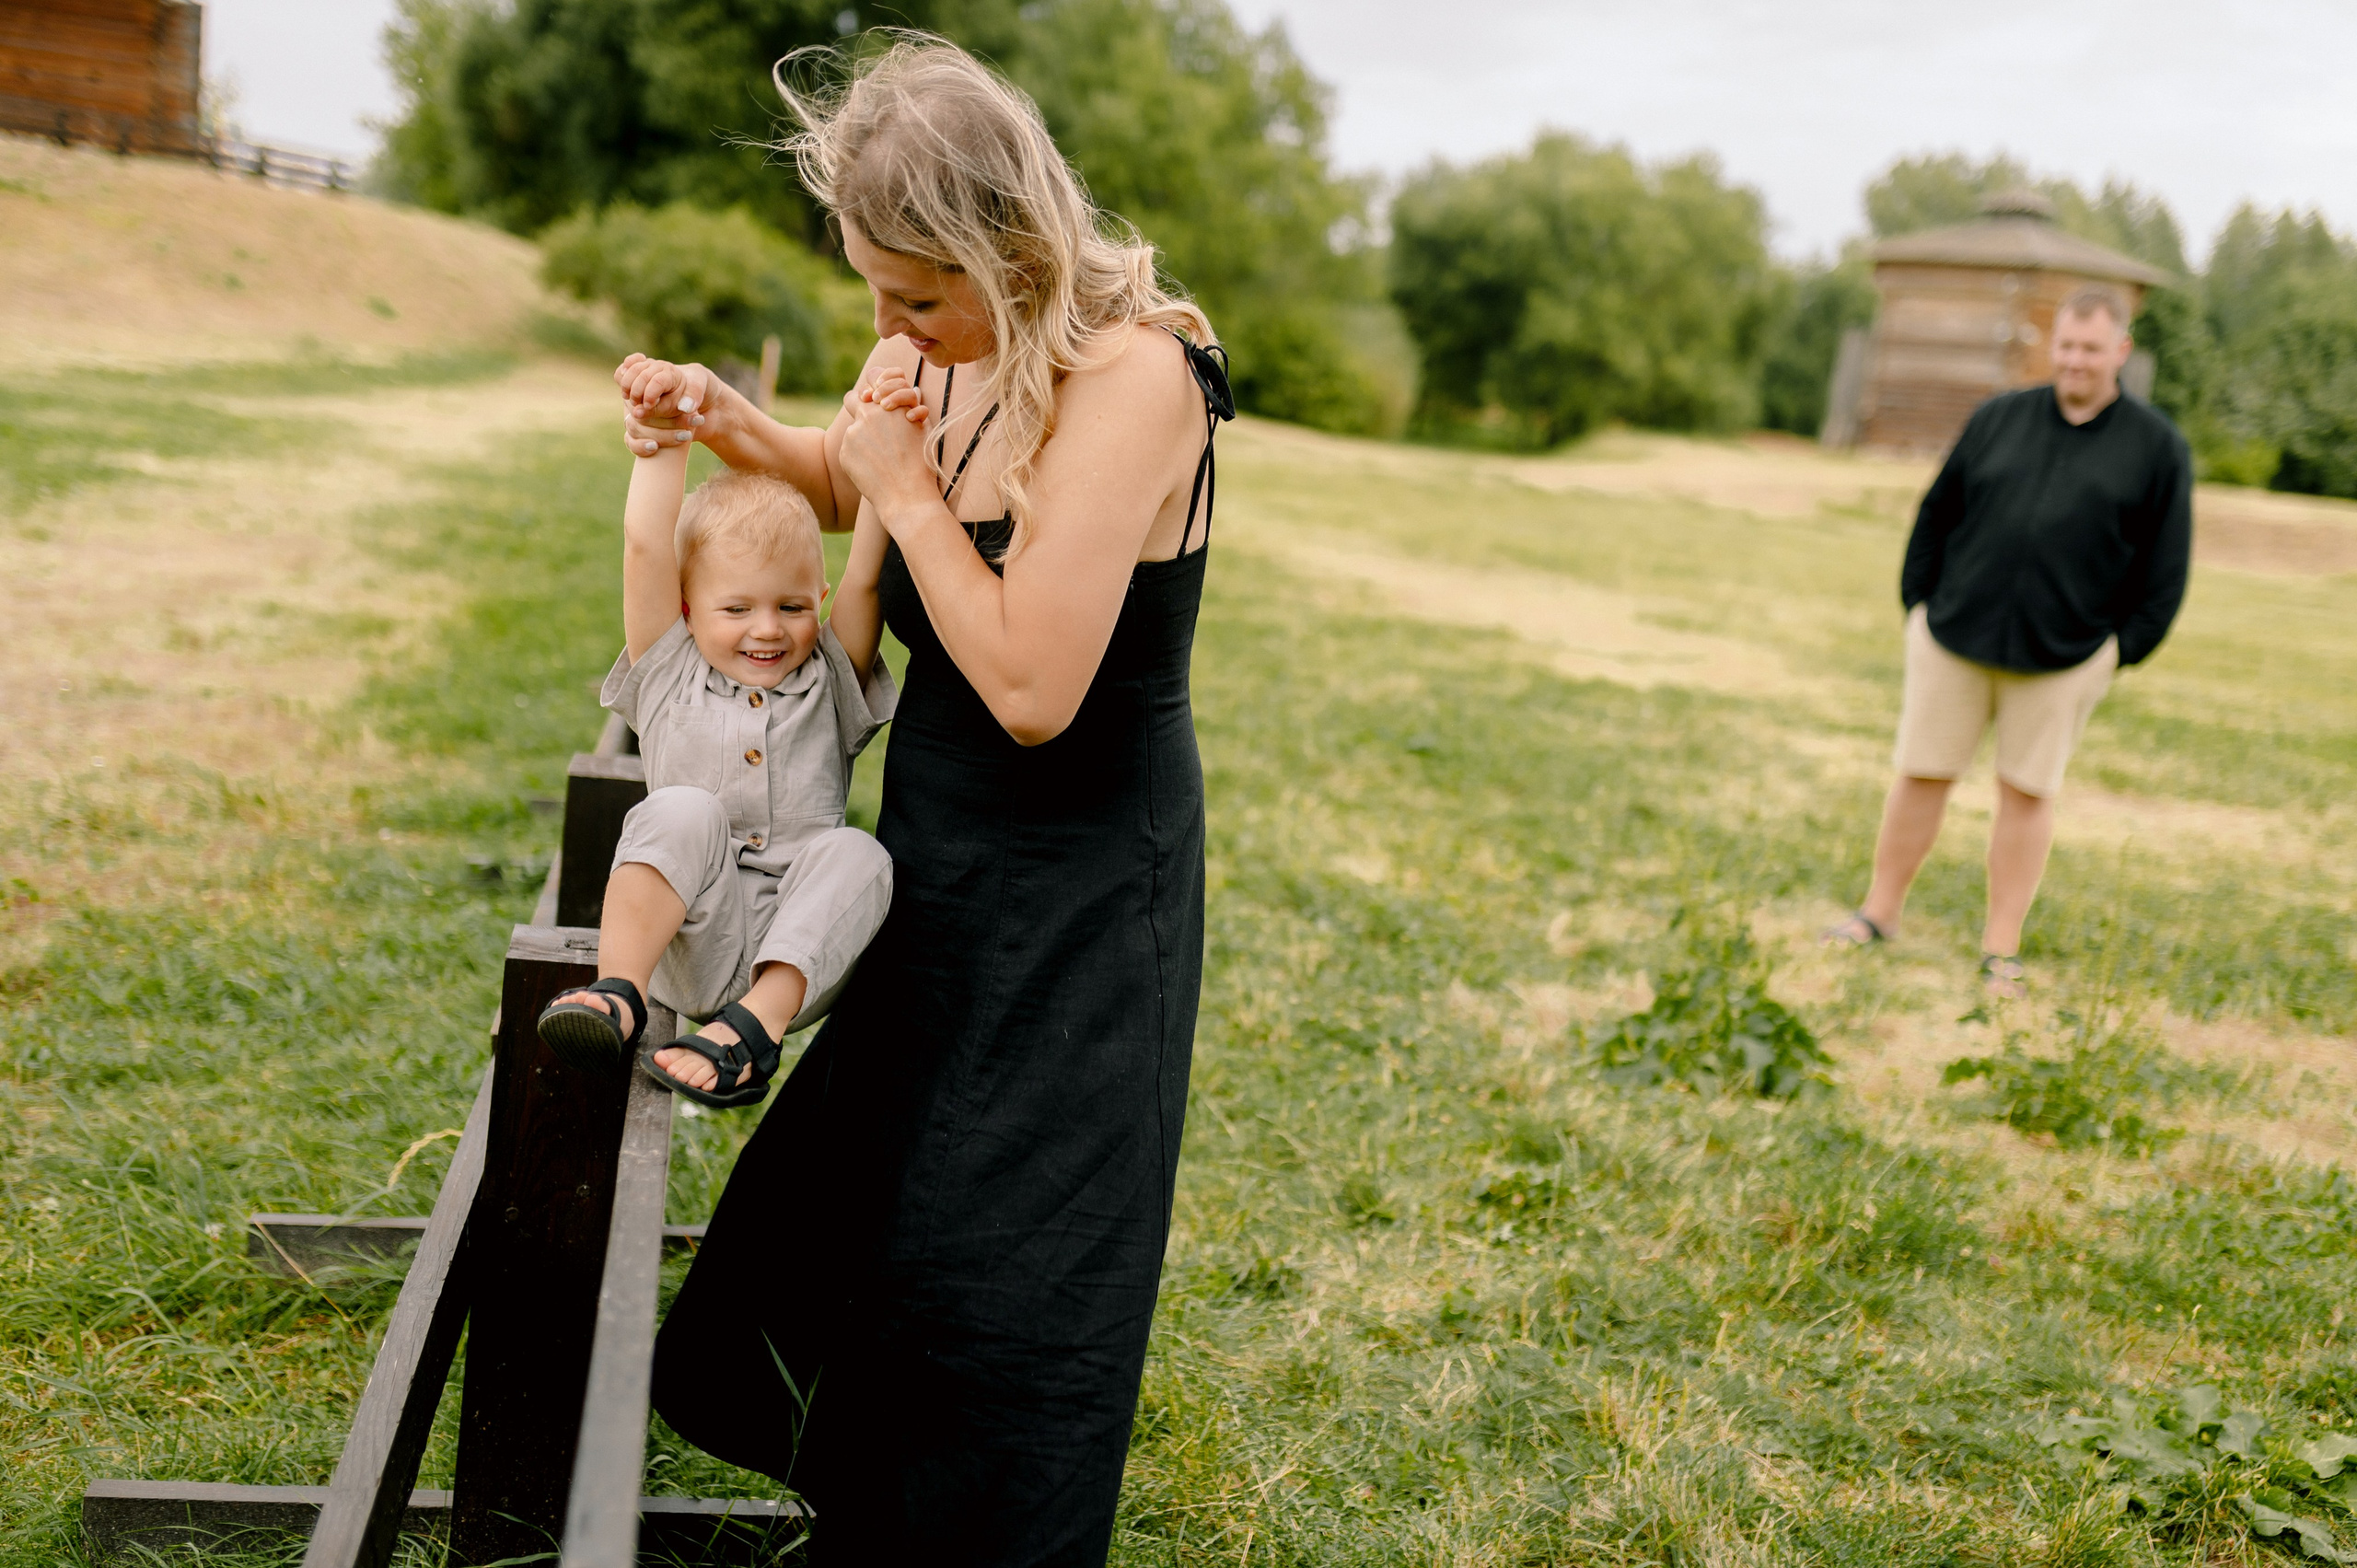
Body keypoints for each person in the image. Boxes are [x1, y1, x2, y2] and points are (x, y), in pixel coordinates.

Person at [610, 35, 1234, 1563]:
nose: (889, 327)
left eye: (915, 294)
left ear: (1010, 247)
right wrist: (733, 426)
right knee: (892, 1200)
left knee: (1020, 1249)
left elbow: (1030, 679)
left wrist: (890, 485)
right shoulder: (967, 349)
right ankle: (880, 1518)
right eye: (873, 291)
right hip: (938, 851)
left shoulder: (1143, 375)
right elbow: (859, 471)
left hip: (1083, 877)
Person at [1825, 285, 2192, 995]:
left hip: (2064, 656)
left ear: (2120, 350)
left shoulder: (2157, 449)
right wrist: (1918, 609)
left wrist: (2116, 653)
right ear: (2052, 346)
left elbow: (2165, 572)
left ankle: (2000, 950)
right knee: (1920, 774)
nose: (2076, 360)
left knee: (2026, 793)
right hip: (1955, 636)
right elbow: (1937, 512)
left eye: (2091, 348)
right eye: (2066, 345)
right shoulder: (1998, 418)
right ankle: (1879, 913)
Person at [532, 437, 896, 1108]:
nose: (769, 628)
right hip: (688, 944)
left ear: (817, 599)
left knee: (861, 853)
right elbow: (645, 546)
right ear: (687, 607)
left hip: (799, 961)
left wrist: (887, 459)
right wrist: (663, 435)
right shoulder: (670, 674)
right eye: (737, 608)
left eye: (792, 606)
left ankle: (753, 1030)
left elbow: (866, 577)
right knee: (682, 810)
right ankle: (618, 993)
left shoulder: (830, 681)